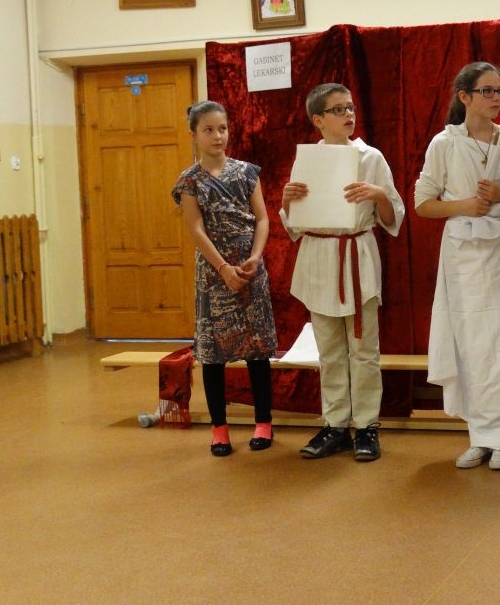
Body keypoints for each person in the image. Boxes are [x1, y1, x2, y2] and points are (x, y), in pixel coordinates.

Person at [414, 62, 500, 471]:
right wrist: (464, 206)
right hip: (462, 252)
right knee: (471, 343)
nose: (496, 97)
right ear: (464, 96)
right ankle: (480, 436)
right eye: (487, 91)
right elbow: (423, 203)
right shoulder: (444, 143)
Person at [280, 83, 404, 462]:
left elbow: (392, 218)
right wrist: (288, 200)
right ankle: (335, 425)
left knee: (363, 350)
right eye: (338, 109)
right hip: (319, 256)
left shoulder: (371, 157)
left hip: (356, 254)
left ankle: (366, 426)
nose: (348, 114)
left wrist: (378, 195)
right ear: (318, 120)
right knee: (330, 350)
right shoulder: (308, 159)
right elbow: (294, 224)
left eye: (350, 107)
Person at [171, 100, 277, 457]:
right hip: (213, 274)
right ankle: (219, 429)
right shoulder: (189, 181)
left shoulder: (247, 172)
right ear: (194, 135)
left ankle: (264, 423)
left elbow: (262, 218)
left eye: (223, 129)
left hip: (249, 268)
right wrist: (222, 269)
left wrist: (255, 258)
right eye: (209, 130)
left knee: (257, 350)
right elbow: (195, 228)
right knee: (213, 355)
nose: (218, 136)